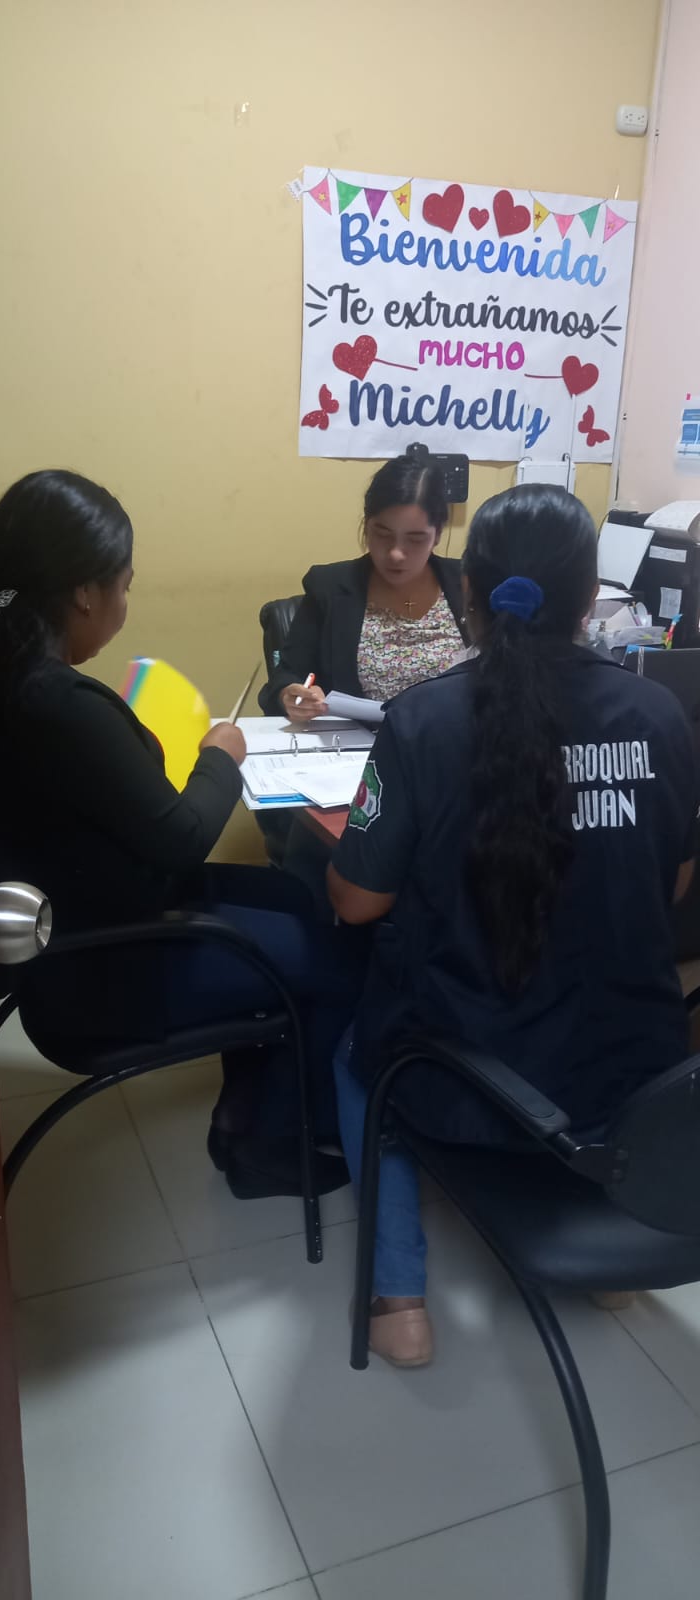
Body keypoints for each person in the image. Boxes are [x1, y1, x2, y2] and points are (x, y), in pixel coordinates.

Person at [327, 483, 698, 1368]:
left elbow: (356, 902)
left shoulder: (423, 721)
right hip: (634, 1081)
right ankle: (612, 1261)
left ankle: (398, 1299)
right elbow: (674, 883)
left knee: (355, 1054)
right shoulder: (658, 714)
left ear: (470, 594)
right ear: (589, 599)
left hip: (469, 1082)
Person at [0, 470, 365, 1196]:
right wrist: (220, 755)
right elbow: (182, 835)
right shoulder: (57, 703)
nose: (124, 605)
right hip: (103, 966)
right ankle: (271, 1144)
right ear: (84, 592)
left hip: (83, 919)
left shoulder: (7, 677)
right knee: (340, 963)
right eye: (123, 587)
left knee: (295, 897)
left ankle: (245, 1115)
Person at [258, 454, 468, 721]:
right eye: (382, 534)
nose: (396, 554)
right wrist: (290, 695)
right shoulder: (329, 587)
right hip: (359, 742)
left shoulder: (468, 584)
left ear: (437, 535)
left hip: (453, 739)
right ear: (366, 525)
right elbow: (285, 677)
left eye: (415, 539)